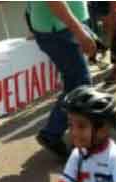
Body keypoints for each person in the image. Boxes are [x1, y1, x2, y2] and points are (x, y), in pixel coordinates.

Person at [28, 1, 97, 158]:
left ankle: (64, 135)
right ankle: (60, 136)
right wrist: (80, 32)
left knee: (76, 84)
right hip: (60, 30)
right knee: (81, 88)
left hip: (64, 27)